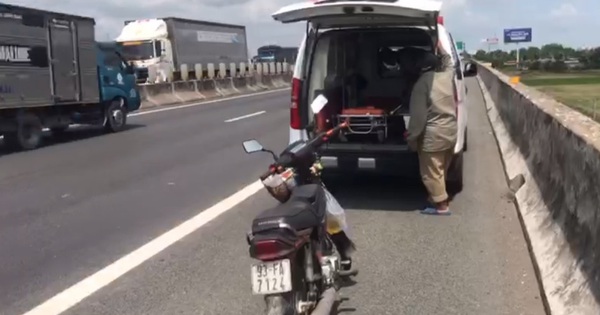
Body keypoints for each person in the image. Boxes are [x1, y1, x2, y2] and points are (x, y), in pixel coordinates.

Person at [401, 42, 457, 215]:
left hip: (433, 136)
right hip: (450, 132)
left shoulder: (421, 85)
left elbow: (418, 120)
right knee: (440, 170)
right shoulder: (447, 76)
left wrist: (411, 139)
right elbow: (449, 62)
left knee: (431, 172)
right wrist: (440, 48)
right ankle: (435, 198)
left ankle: (441, 206)